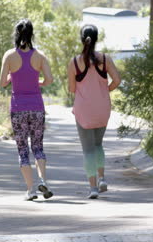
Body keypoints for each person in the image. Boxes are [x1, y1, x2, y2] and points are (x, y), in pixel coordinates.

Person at [0, 19, 54, 201]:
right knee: (38, 147)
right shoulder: (40, 55)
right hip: (37, 107)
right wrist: (35, 81)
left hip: (18, 108)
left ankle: (31, 190)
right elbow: (48, 80)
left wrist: (12, 76)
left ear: (16, 34)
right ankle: (43, 180)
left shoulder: (9, 56)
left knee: (23, 149)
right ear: (31, 34)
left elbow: (2, 82)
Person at [67, 24, 121, 199]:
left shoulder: (75, 62)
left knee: (88, 150)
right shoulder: (105, 59)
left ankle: (93, 188)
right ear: (96, 39)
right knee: (98, 144)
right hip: (102, 108)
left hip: (84, 110)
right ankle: (102, 178)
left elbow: (71, 89)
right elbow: (117, 80)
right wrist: (104, 91)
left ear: (82, 39)